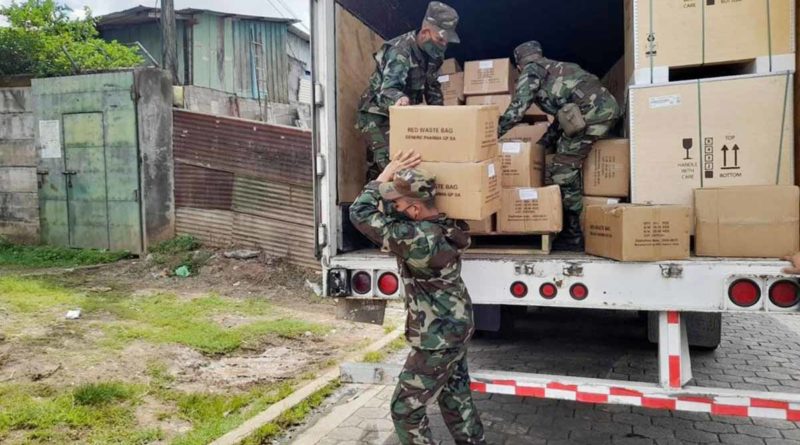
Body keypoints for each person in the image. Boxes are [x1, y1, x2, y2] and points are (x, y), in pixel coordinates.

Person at [349, 151, 486, 445]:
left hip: (437, 337)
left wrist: (383, 175)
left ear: (412, 210)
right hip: (455, 326)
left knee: (405, 411)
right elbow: (401, 213)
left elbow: (359, 213)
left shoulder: (415, 238)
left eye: (396, 203)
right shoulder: (445, 226)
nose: (391, 206)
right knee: (456, 403)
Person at [498, 41, 620, 250]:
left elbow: (517, 110)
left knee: (563, 171)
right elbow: (563, 115)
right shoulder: (557, 68)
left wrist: (489, 135)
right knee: (564, 160)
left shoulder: (531, 72)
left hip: (593, 114)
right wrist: (543, 144)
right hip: (599, 109)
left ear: (518, 65)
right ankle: (572, 229)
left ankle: (573, 235)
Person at [356, 1, 460, 182]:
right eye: (440, 39)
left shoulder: (434, 54)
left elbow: (433, 89)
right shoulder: (400, 51)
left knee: (399, 164)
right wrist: (401, 99)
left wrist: (443, 121)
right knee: (394, 167)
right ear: (425, 32)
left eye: (446, 41)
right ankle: (373, 206)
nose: (444, 45)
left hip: (404, 116)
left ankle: (376, 199)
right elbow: (388, 90)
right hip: (378, 115)